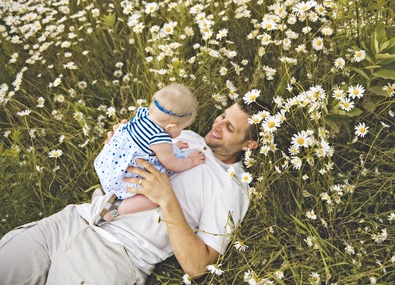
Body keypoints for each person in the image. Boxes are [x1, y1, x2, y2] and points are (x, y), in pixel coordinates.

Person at [0, 97, 268, 284]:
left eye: (229, 127)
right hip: (76, 219)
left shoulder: (230, 187)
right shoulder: (188, 137)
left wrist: (167, 199)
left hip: (115, 255)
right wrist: (115, 147)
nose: (217, 125)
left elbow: (199, 266)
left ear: (250, 145)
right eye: (222, 116)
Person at [94, 83, 205, 224]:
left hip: (107, 166)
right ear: (171, 127)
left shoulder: (142, 114)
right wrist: (191, 161)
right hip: (121, 177)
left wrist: (170, 148)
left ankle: (105, 192)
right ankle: (115, 209)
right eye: (182, 129)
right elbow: (172, 164)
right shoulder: (159, 138)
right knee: (153, 200)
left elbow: (149, 146)